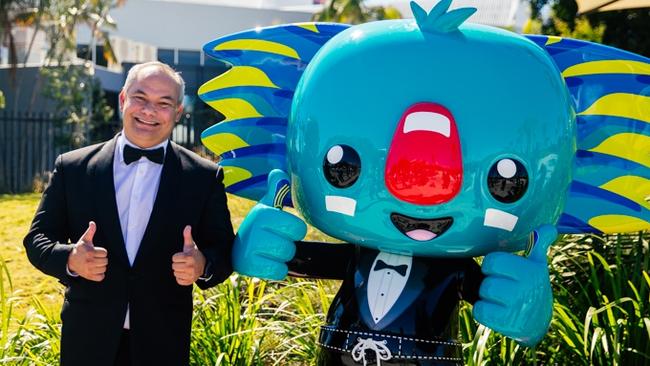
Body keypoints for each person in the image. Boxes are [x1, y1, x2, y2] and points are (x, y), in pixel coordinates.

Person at [23, 61, 235, 366]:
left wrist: (203, 265)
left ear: (177, 112)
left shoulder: (204, 177)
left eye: (164, 103)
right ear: (123, 99)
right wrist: (71, 258)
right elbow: (37, 239)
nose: (149, 111)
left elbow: (225, 252)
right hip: (87, 342)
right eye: (140, 98)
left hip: (163, 345)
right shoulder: (73, 168)